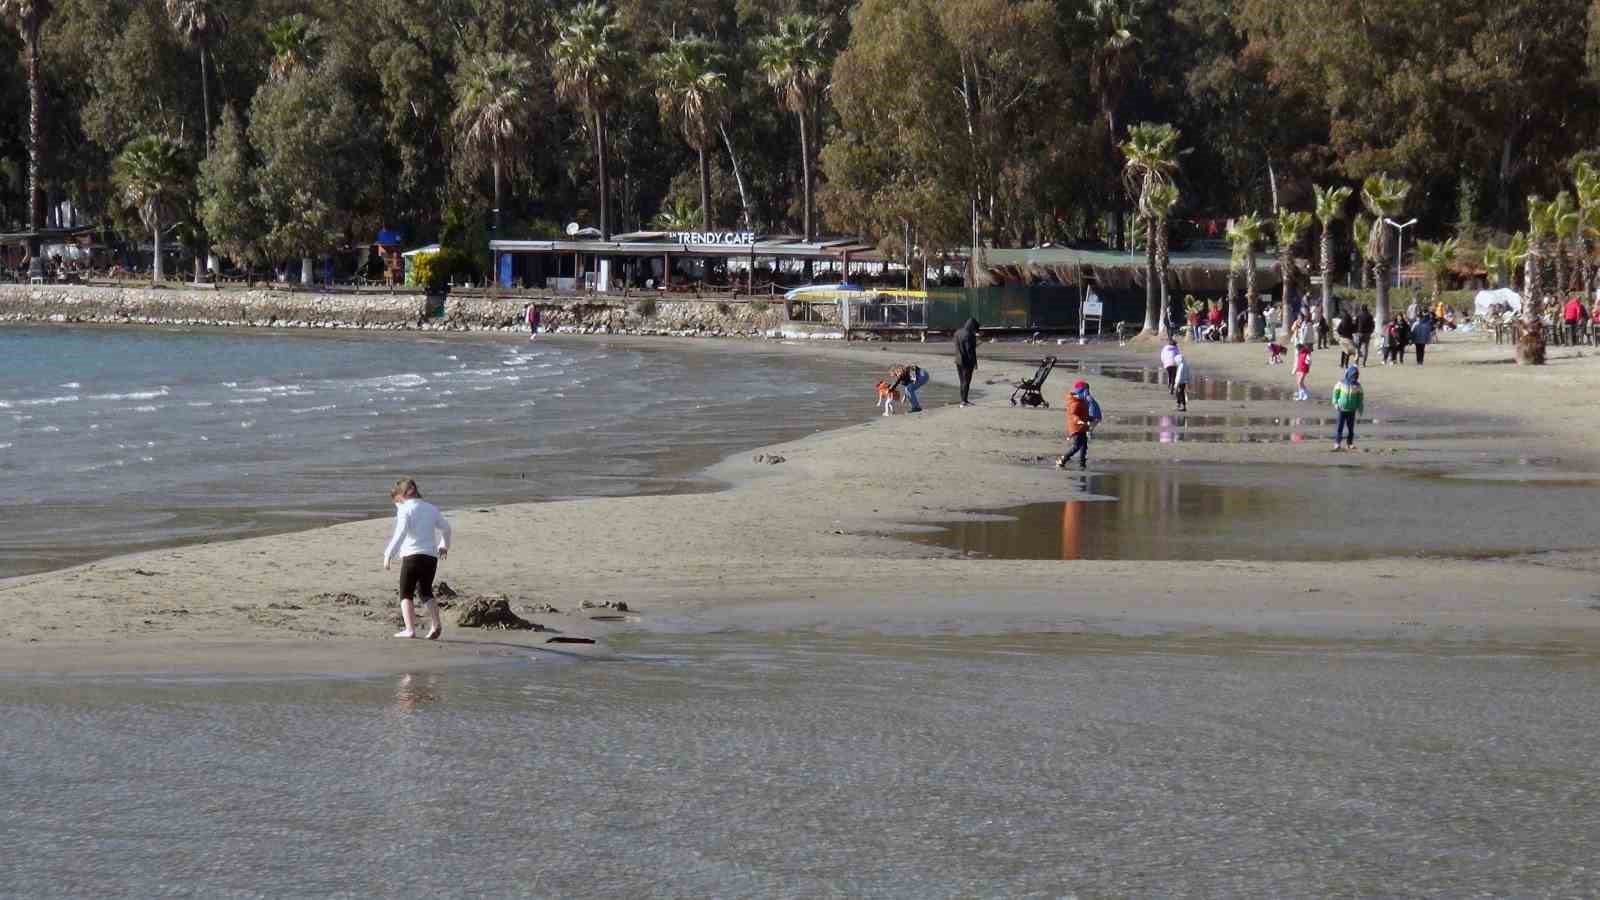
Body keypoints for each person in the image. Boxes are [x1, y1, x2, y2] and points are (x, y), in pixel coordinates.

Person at [383, 477, 452, 640]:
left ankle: (410, 629)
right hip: (430, 556)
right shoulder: (431, 508)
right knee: (425, 591)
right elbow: (446, 529)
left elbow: (400, 534)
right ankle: (436, 624)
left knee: (405, 593)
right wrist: (444, 545)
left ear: (401, 496)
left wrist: (388, 555)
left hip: (412, 556)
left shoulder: (405, 510)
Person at [1057, 380, 1096, 470]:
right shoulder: (1075, 403)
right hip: (1076, 428)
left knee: (1084, 446)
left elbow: (1085, 415)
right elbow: (1073, 414)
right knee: (1077, 446)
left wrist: (1091, 418)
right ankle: (1063, 458)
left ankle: (1082, 463)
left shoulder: (1083, 402)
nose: (1087, 393)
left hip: (1082, 427)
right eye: (1086, 391)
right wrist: (1078, 421)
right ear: (1080, 391)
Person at [1331, 366, 1363, 451]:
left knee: (1351, 428)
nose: (1354, 378)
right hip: (1341, 409)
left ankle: (1350, 443)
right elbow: (1335, 392)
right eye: (1352, 375)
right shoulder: (1341, 383)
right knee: (1339, 427)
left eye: (1355, 376)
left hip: (1352, 410)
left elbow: (1360, 397)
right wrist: (1335, 402)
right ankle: (1337, 443)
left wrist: (1360, 408)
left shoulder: (1357, 386)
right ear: (1348, 374)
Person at [953, 317, 980, 406]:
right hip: (967, 362)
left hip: (958, 360)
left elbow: (960, 346)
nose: (975, 331)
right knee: (966, 382)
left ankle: (963, 400)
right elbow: (970, 350)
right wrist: (975, 363)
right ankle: (964, 401)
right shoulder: (969, 335)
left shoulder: (957, 332)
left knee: (962, 381)